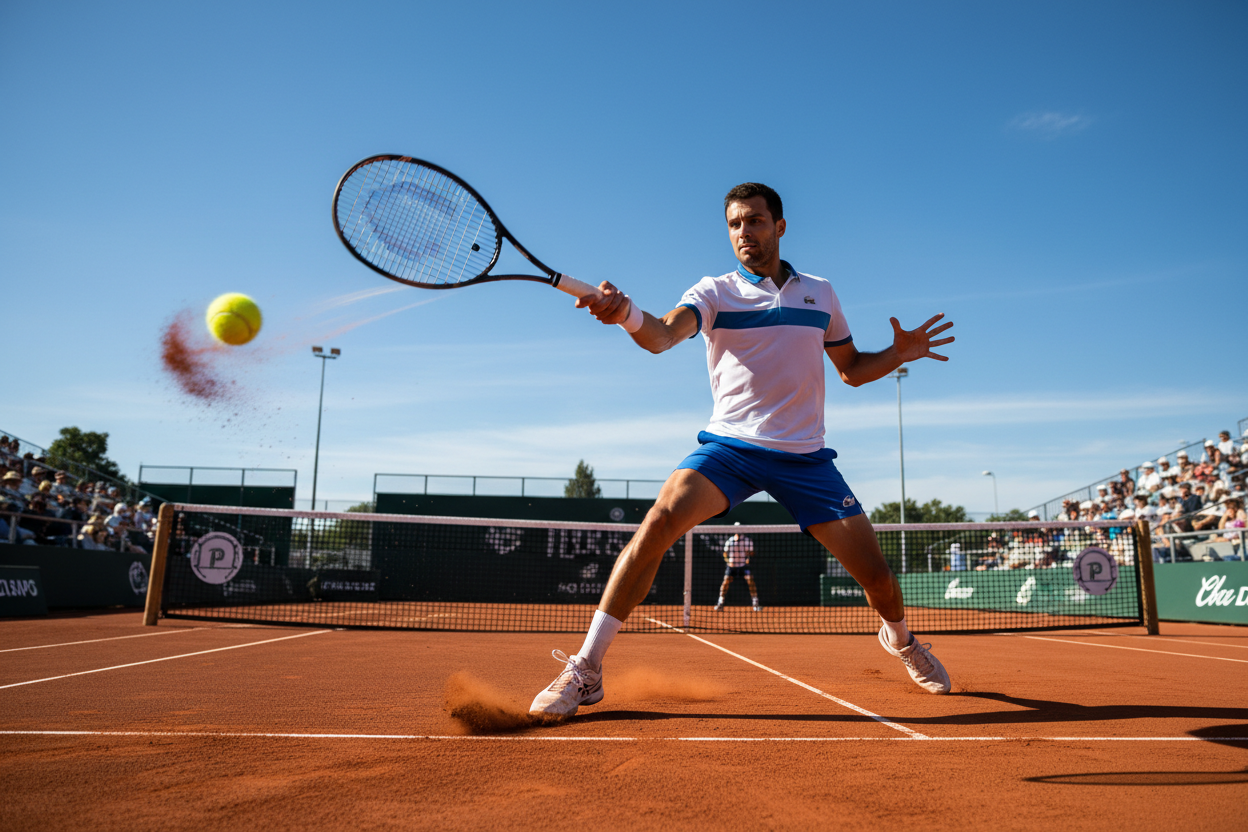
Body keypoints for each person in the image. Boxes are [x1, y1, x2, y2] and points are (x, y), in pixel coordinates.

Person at [528, 182, 956, 717]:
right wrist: (627, 315)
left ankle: (903, 641)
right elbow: (661, 336)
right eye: (734, 224)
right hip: (731, 447)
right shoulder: (713, 292)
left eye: (754, 221)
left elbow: (850, 371)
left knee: (878, 577)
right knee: (659, 521)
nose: (744, 233)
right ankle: (586, 669)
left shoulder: (819, 293)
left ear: (779, 226)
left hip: (805, 458)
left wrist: (898, 353)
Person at [715, 523, 760, 611]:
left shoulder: (747, 540)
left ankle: (755, 603)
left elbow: (751, 552)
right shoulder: (730, 541)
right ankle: (720, 603)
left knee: (750, 581)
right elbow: (725, 553)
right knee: (725, 582)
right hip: (732, 566)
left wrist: (748, 557)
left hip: (743, 565)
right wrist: (728, 561)